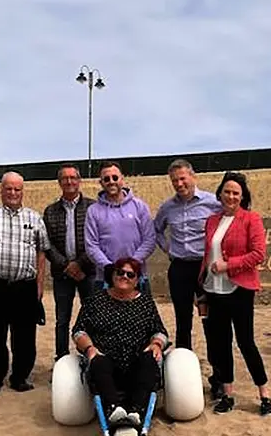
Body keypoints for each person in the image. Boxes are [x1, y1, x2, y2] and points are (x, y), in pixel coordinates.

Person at [199, 171, 271, 417]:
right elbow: (207, 254)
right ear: (220, 193)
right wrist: (201, 285)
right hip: (213, 290)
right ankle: (228, 394)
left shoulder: (251, 219)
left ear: (242, 197)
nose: (231, 196)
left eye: (236, 193)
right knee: (221, 345)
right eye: (227, 191)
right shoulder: (211, 221)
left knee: (246, 342)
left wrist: (228, 265)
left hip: (239, 289)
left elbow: (258, 254)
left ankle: (264, 395)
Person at [0, 171, 51, 395]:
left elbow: (41, 253)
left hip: (25, 286)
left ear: (22, 191)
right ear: (1, 190)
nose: (13, 193)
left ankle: (20, 377)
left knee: (25, 335)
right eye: (9, 189)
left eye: (17, 189)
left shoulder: (34, 219)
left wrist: (39, 285)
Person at [154, 158, 223, 397]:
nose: (179, 184)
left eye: (183, 178)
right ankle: (184, 378)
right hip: (180, 269)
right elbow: (156, 230)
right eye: (175, 180)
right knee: (183, 322)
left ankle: (219, 379)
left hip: (205, 270)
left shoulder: (213, 203)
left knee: (211, 323)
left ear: (193, 177)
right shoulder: (167, 207)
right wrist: (168, 249)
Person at [72, 257, 169, 426]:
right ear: (113, 275)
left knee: (149, 360)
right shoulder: (95, 301)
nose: (124, 277)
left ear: (137, 280)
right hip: (105, 360)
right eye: (120, 272)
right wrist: (89, 349)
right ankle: (113, 408)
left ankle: (136, 411)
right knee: (98, 361)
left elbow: (160, 331)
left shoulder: (145, 303)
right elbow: (79, 331)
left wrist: (156, 344)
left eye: (130, 274)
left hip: (136, 361)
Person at [43, 163, 96, 360]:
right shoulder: (50, 211)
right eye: (65, 178)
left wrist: (79, 264)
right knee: (62, 319)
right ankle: (62, 358)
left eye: (73, 177)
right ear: (59, 182)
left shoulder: (93, 207)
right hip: (62, 273)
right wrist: (67, 266)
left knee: (91, 315)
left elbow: (96, 240)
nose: (69, 182)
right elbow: (47, 244)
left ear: (79, 181)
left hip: (88, 272)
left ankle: (91, 356)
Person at [84, 161, 156, 290]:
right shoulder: (93, 211)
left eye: (115, 177)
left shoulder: (140, 207)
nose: (111, 181)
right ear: (101, 183)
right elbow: (91, 245)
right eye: (106, 179)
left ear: (122, 179)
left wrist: (131, 265)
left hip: (137, 276)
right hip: (105, 279)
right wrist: (109, 267)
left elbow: (149, 239)